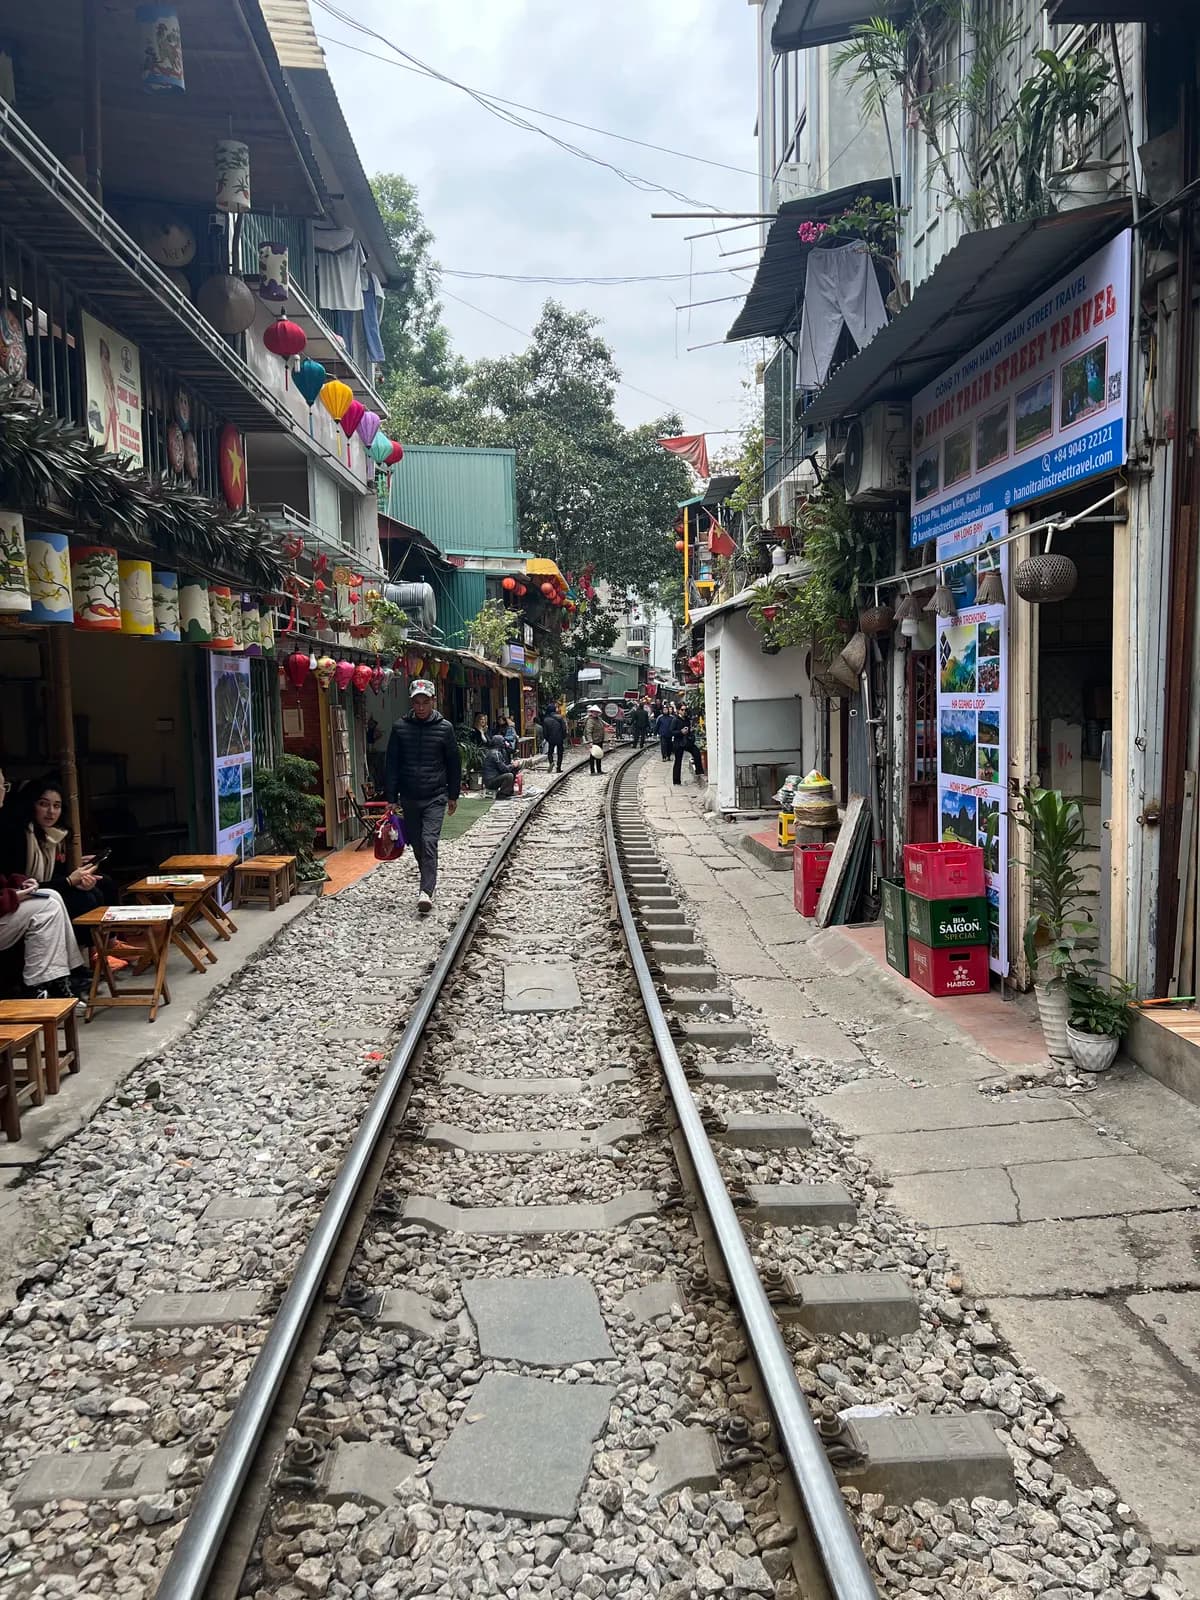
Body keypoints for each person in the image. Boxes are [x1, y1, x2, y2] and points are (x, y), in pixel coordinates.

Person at [0, 768, 88, 1000]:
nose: (3, 792)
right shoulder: (17, 832)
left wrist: (19, 883)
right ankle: (40, 985)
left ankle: (61, 978)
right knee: (49, 905)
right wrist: (13, 896)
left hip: (11, 899)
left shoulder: (53, 835)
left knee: (53, 896)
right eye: (44, 804)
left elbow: (7, 876)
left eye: (5, 786)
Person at [383, 678, 462, 917]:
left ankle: (426, 891)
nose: (420, 707)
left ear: (433, 701)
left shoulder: (445, 728)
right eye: (416, 702)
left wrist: (453, 794)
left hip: (435, 795)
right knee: (417, 843)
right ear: (411, 703)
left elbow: (453, 762)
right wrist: (391, 797)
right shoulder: (400, 728)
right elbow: (392, 764)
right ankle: (427, 880)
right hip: (409, 796)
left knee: (429, 841)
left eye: (425, 702)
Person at [4, 777, 109, 932]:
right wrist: (69, 881)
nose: (51, 812)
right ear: (31, 805)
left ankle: (108, 944)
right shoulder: (20, 835)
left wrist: (78, 874)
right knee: (84, 899)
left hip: (48, 887)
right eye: (43, 804)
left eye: (56, 806)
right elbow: (22, 883)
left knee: (102, 885)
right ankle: (92, 950)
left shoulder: (56, 835)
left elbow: (58, 874)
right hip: (25, 894)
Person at [672, 706, 704, 785]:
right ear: (679, 711)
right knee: (678, 761)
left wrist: (690, 731)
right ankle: (676, 781)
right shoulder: (675, 720)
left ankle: (699, 771)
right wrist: (681, 732)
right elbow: (672, 731)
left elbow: (689, 730)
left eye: (685, 710)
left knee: (696, 751)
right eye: (682, 710)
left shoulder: (687, 720)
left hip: (687, 741)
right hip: (679, 742)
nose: (684, 711)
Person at [482, 734, 519, 799]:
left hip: (493, 777)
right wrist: (513, 765)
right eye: (503, 741)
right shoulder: (495, 754)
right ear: (499, 743)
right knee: (509, 775)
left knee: (513, 770)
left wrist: (512, 766)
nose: (504, 743)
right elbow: (504, 769)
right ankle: (502, 794)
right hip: (491, 781)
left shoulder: (496, 752)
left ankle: (508, 792)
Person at [542, 704, 567, 773]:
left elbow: (545, 732)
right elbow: (564, 728)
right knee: (560, 753)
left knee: (550, 752)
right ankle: (558, 767)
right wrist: (563, 736)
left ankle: (551, 762)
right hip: (559, 738)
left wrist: (547, 739)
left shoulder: (546, 720)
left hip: (551, 739)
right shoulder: (560, 718)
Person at [584, 705, 606, 776]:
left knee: (599, 755)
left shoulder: (599, 719)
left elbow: (604, 724)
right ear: (592, 712)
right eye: (595, 712)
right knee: (593, 756)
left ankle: (599, 770)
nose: (596, 713)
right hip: (594, 741)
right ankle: (592, 771)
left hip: (599, 739)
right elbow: (588, 732)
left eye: (597, 712)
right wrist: (590, 741)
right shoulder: (590, 721)